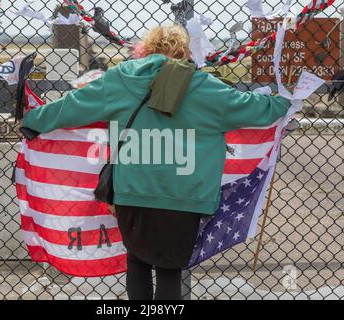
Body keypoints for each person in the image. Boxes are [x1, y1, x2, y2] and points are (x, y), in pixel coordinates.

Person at [21, 25, 292, 300]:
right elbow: (255, 108)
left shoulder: (120, 80)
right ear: (185, 52)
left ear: (146, 50)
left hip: (132, 192)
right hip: (184, 196)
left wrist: (32, 120)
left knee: (136, 261)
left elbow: (72, 105)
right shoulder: (206, 87)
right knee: (169, 269)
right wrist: (286, 103)